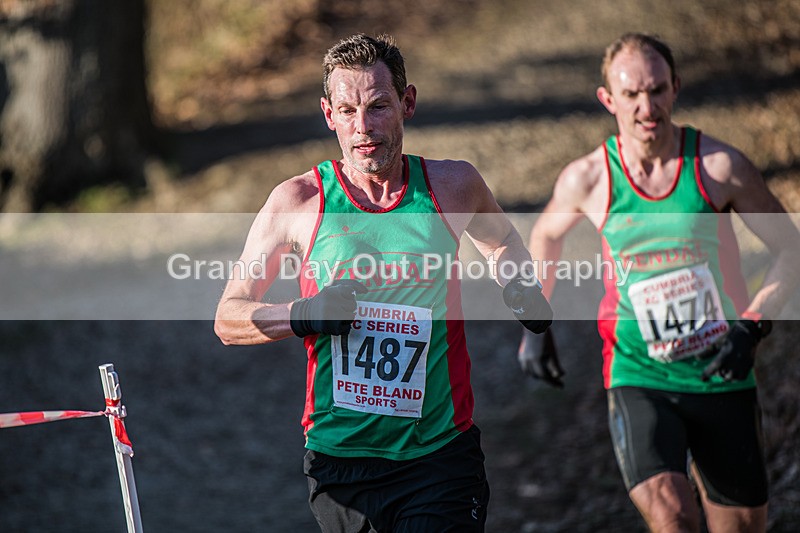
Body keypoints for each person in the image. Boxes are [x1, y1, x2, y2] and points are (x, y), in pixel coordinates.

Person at [214, 33, 552, 532]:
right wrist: (304, 314)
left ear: (407, 103)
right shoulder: (298, 202)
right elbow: (229, 317)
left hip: (440, 454)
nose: (363, 127)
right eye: (347, 111)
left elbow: (501, 241)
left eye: (377, 106)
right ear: (328, 114)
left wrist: (519, 287)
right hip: (341, 461)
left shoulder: (453, 186)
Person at [516, 33, 800, 532]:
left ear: (675, 89)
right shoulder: (588, 179)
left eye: (657, 90)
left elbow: (790, 249)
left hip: (722, 366)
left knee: (742, 528)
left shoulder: (718, 167)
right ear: (608, 99)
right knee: (673, 515)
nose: (646, 107)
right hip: (637, 372)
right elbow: (544, 235)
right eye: (631, 94)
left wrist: (752, 326)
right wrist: (535, 324)